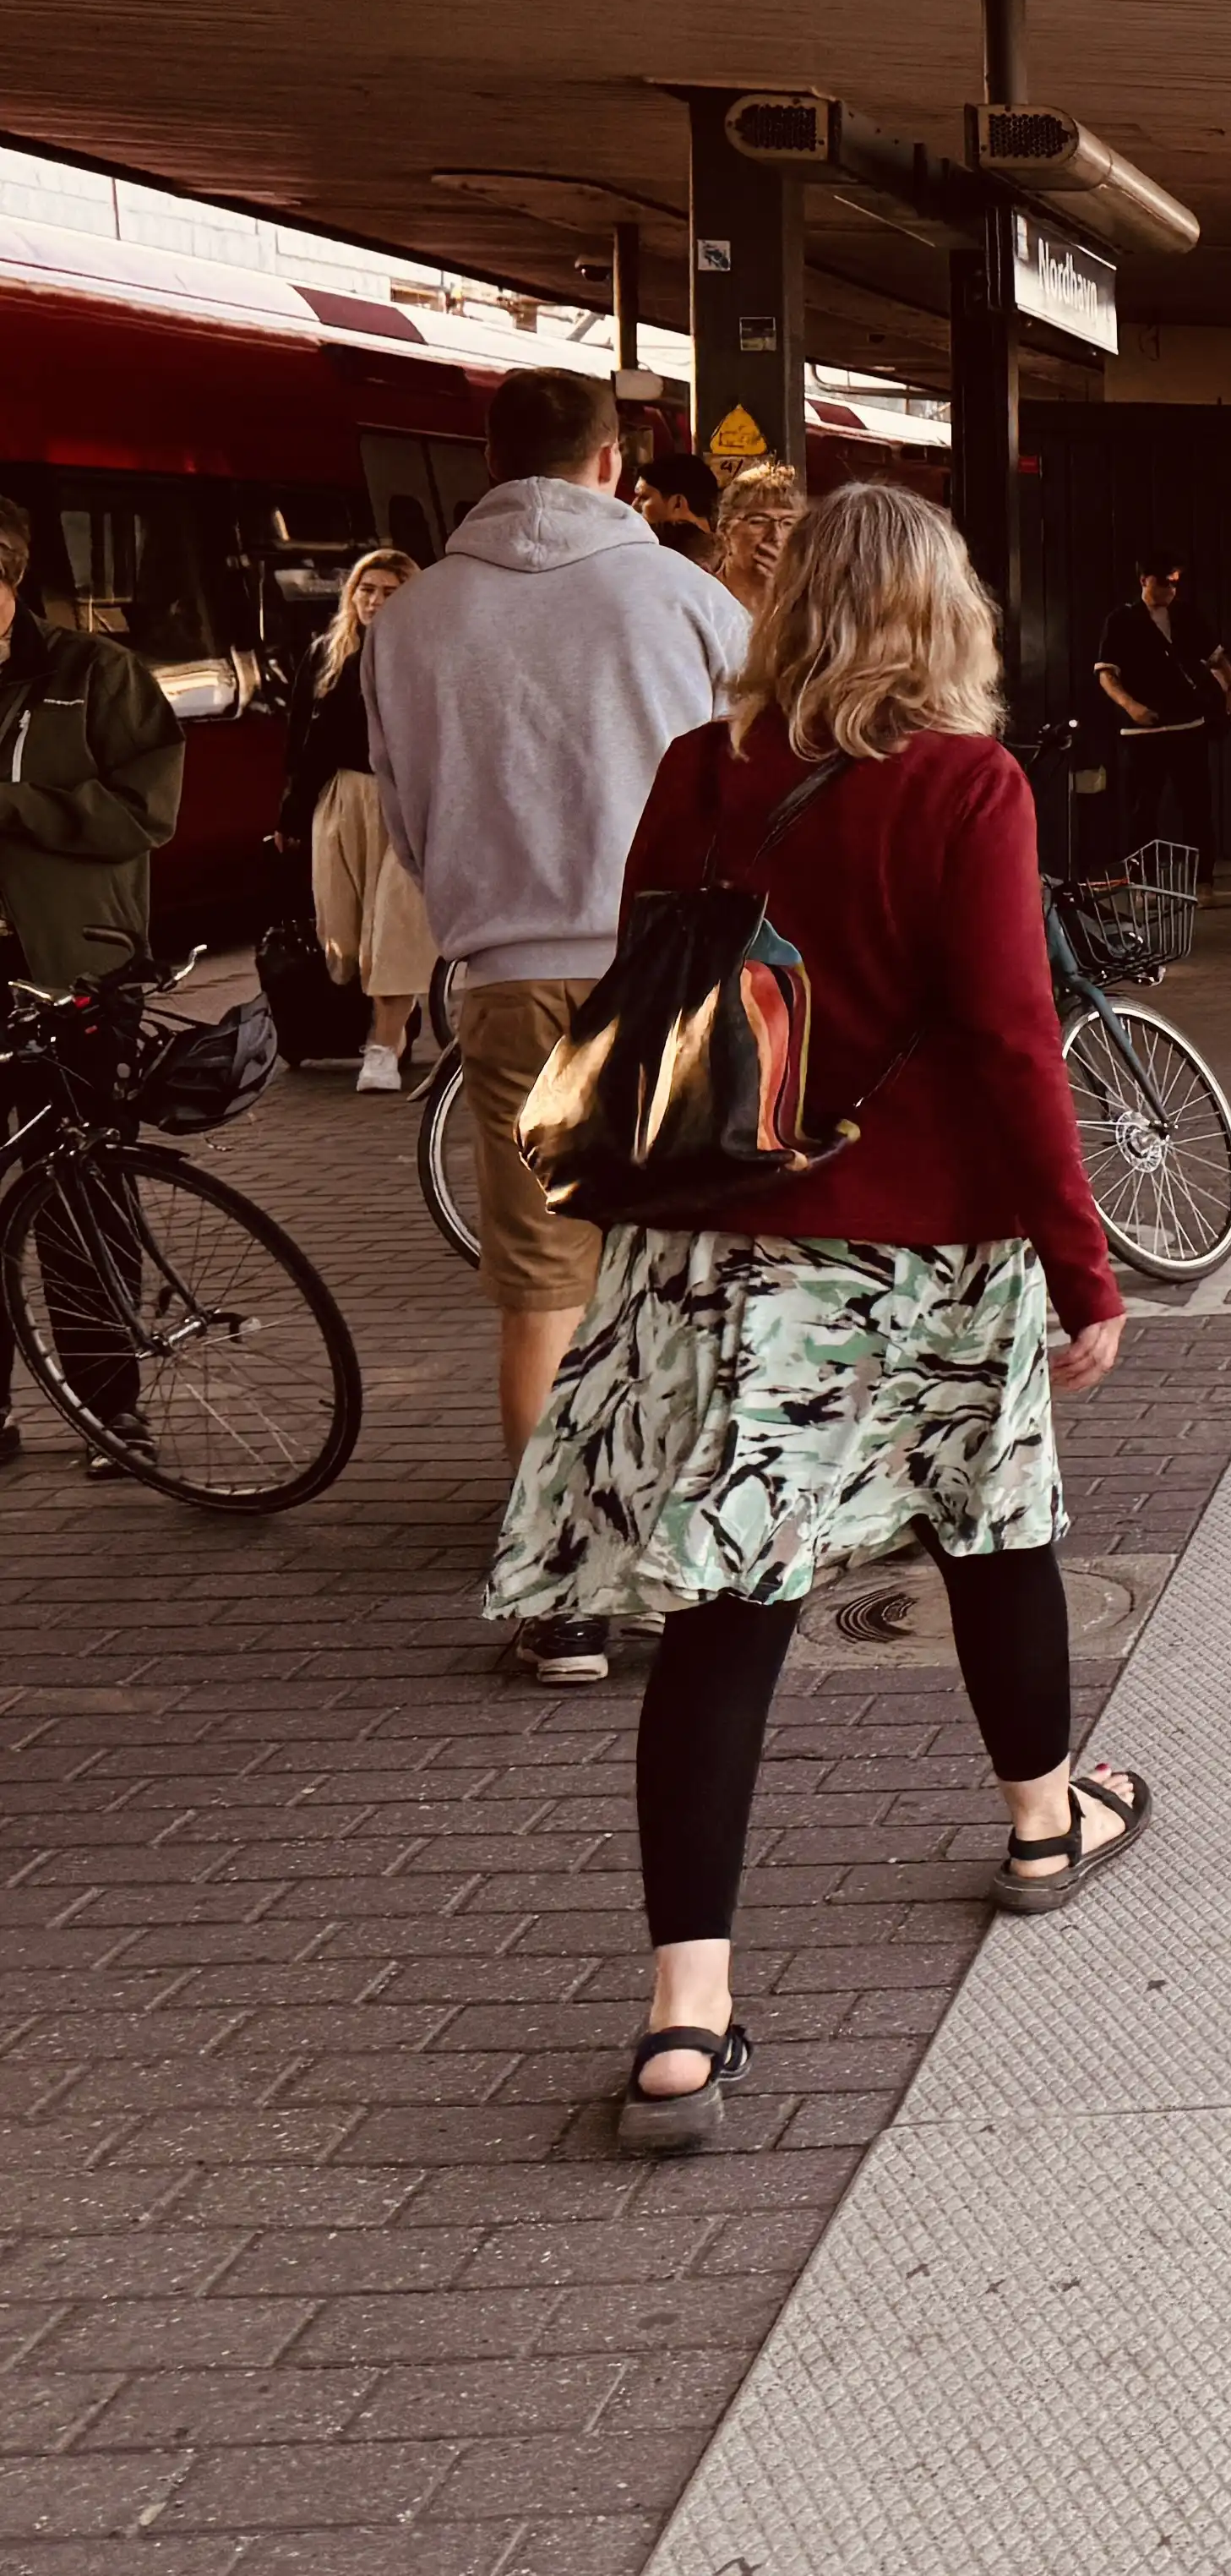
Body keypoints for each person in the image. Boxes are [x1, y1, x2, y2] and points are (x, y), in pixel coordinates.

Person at [487, 484, 1141, 2152]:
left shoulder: (700, 770)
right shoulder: (966, 783)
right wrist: (1083, 1268)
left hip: (726, 1248)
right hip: (933, 1252)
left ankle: (684, 2017)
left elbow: (656, 983)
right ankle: (1043, 1821)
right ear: (945, 616)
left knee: (727, 1611)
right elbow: (1011, 1046)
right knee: (994, 1536)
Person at [365, 368, 750, 1682]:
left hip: (509, 974)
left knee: (543, 1284)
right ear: (611, 466)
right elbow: (755, 772)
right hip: (669, 964)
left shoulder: (411, 619)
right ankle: (689, 1553)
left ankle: (566, 1594)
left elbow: (404, 817)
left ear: (489, 462)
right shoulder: (683, 598)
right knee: (685, 1261)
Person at [0, 498, 188, 994]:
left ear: (12, 577)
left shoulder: (99, 670)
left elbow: (144, 813)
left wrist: (14, 806)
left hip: (68, 958)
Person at [282, 547, 438, 1089]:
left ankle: (383, 1046)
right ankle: (394, 1023)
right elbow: (301, 741)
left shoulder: (429, 655)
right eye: (366, 590)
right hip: (343, 798)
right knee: (343, 937)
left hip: (408, 802)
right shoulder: (327, 653)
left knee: (395, 927)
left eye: (390, 592)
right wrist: (290, 814)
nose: (375, 601)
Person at [1093, 554, 1231, 887]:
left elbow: (1217, 658)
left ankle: (1202, 880)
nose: (1170, 589)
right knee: (1142, 811)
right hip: (1142, 730)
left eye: (1174, 582)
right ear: (1144, 580)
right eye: (1163, 582)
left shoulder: (1186, 616)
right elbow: (1107, 674)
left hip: (1188, 724)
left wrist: (1230, 692)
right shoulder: (1122, 620)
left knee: (1197, 807)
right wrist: (1132, 706)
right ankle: (1143, 882)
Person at [708, 463, 803, 615]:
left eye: (788, 523)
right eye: (759, 521)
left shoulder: (805, 601)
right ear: (725, 531)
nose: (776, 536)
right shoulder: (704, 597)